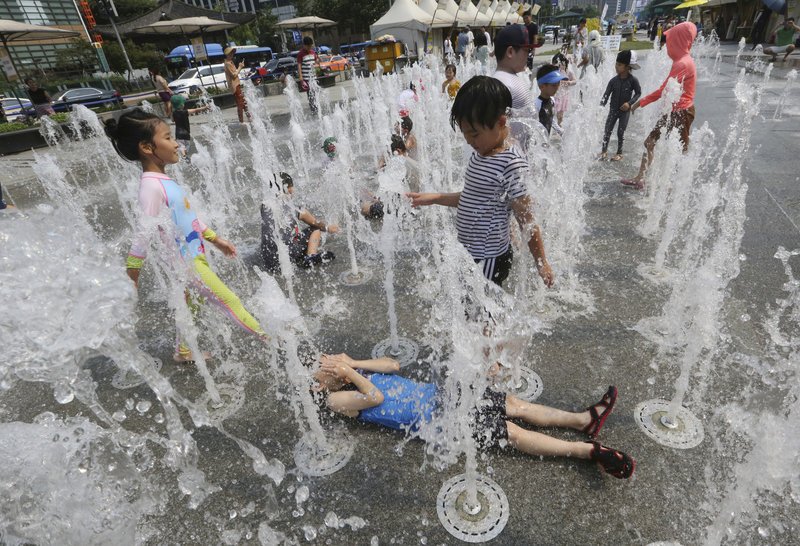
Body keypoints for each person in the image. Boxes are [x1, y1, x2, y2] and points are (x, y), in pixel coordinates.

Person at [105, 109, 268, 361]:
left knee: (191, 306)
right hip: (188, 264)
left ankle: (183, 351)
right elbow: (142, 234)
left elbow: (189, 218)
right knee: (231, 301)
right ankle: (274, 340)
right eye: (168, 138)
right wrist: (132, 276)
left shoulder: (163, 180)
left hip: (192, 258)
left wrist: (216, 239)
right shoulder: (150, 186)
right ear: (147, 148)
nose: (176, 144)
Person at [312, 353, 635, 479]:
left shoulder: (353, 371)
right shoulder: (336, 399)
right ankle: (588, 452)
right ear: (320, 385)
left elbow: (393, 365)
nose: (326, 367)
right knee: (512, 432)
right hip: (438, 421)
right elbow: (375, 397)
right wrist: (348, 374)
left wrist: (354, 362)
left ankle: (583, 421)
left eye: (324, 362)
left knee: (514, 404)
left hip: (442, 395)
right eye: (321, 370)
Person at [407, 76, 554, 288]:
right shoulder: (482, 153)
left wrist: (542, 262)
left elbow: (526, 218)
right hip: (472, 252)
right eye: (465, 133)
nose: (468, 140)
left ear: (501, 122)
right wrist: (434, 198)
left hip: (490, 257)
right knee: (471, 310)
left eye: (474, 134)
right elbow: (473, 197)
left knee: (482, 314)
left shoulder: (511, 163)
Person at [622, 22, 697, 191]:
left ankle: (675, 185)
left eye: (669, 41)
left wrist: (640, 103)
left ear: (678, 41)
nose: (666, 45)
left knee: (679, 150)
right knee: (650, 142)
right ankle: (640, 178)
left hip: (682, 113)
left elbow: (663, 90)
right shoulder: (681, 62)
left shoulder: (683, 64)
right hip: (674, 112)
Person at [492, 24, 536, 150]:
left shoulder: (509, 77)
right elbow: (494, 129)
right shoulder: (501, 83)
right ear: (510, 52)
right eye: (526, 51)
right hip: (513, 158)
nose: (529, 55)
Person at [599, 50, 641, 161]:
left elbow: (638, 93)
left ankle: (619, 153)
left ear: (627, 67)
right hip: (613, 109)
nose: (616, 67)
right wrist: (600, 106)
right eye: (616, 64)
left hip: (624, 111)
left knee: (620, 132)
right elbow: (606, 95)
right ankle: (604, 151)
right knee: (607, 130)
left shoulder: (633, 80)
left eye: (619, 65)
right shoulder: (613, 81)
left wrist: (629, 103)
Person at [534, 64, 567, 137]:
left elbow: (550, 119)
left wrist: (561, 131)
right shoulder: (536, 105)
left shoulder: (552, 100)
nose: (557, 87)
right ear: (542, 86)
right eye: (554, 85)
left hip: (546, 141)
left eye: (558, 83)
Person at [224, 46, 250, 123]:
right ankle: (241, 121)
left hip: (237, 84)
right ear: (227, 54)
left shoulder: (230, 62)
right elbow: (234, 75)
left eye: (233, 53)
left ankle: (249, 118)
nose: (232, 54)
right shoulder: (227, 64)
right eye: (230, 53)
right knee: (240, 103)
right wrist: (240, 67)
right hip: (234, 86)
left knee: (243, 102)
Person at [551, 53, 577, 126]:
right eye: (556, 65)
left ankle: (559, 126)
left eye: (561, 64)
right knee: (553, 113)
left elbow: (575, 81)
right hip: (555, 95)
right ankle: (554, 126)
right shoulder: (554, 72)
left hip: (564, 96)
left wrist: (568, 82)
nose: (559, 67)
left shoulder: (568, 72)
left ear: (565, 63)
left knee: (560, 114)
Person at [297, 36, 321, 114]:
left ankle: (316, 107)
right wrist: (301, 77)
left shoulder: (313, 52)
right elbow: (299, 65)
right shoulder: (300, 54)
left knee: (315, 92)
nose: (309, 47)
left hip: (313, 76)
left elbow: (316, 61)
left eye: (310, 46)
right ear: (304, 45)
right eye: (308, 46)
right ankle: (313, 109)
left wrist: (318, 59)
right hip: (306, 78)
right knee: (310, 93)